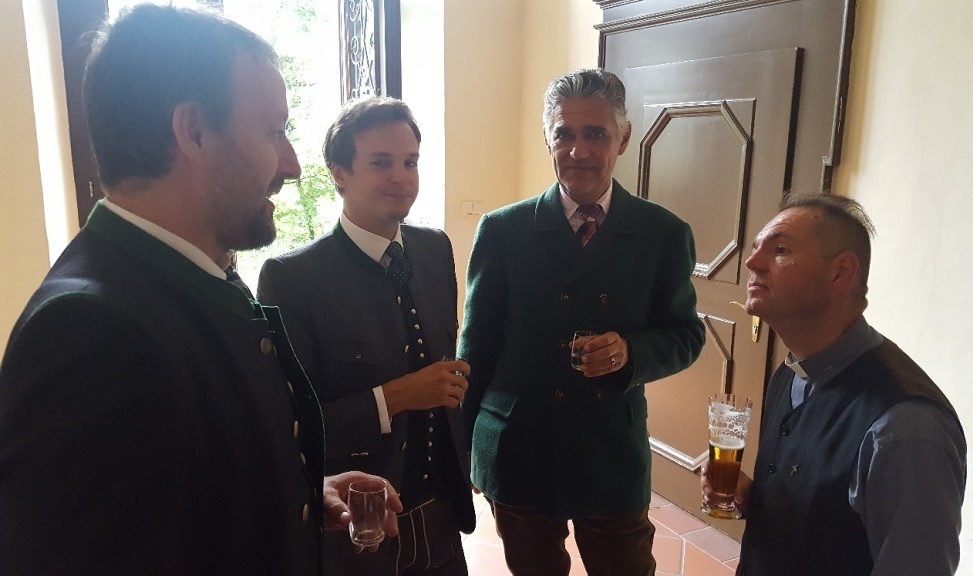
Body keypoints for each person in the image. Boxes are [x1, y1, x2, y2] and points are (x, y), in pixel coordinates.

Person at [0, 5, 400, 574]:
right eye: (274, 131)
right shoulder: (89, 332)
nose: (291, 165)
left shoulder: (190, 276)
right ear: (193, 132)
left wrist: (299, 494)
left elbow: (171, 494)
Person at [458, 68, 705, 575]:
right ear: (547, 139)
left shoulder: (662, 233)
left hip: (609, 451)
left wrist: (631, 352)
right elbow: (475, 347)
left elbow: (686, 334)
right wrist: (462, 450)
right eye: (564, 134)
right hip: (519, 445)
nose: (579, 151)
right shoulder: (503, 231)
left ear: (624, 138)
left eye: (596, 134)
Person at [257, 97, 475, 575]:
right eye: (381, 163)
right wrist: (394, 397)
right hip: (360, 531)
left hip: (443, 514)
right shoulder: (292, 278)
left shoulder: (435, 248)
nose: (401, 177)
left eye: (410, 162)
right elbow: (290, 428)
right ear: (339, 173)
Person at [702, 194, 967, 575]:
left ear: (841, 272)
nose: (751, 262)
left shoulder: (905, 429)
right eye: (756, 247)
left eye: (780, 250)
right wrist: (754, 499)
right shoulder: (790, 373)